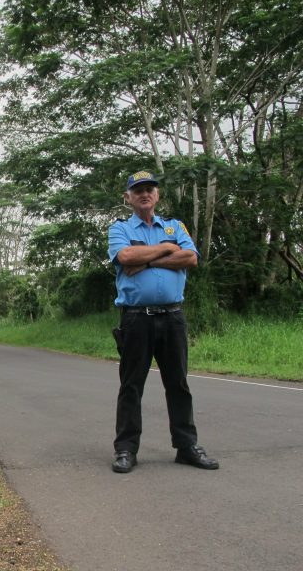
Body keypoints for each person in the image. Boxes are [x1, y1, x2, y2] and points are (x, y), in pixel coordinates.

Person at [107, 170, 219, 474]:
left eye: (150, 189)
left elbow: (190, 258)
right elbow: (126, 256)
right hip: (135, 319)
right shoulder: (119, 229)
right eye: (138, 190)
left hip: (173, 317)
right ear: (128, 197)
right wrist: (168, 250)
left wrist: (151, 259)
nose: (145, 194)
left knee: (178, 384)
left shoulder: (174, 226)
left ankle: (186, 447)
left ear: (157, 195)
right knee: (131, 386)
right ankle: (126, 449)